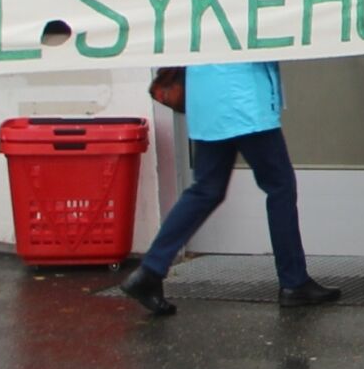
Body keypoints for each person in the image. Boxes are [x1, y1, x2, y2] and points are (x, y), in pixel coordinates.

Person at [120, 46, 345, 316]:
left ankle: (150, 271)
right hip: (244, 99)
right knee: (280, 187)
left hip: (208, 99)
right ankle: (293, 282)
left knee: (206, 189)